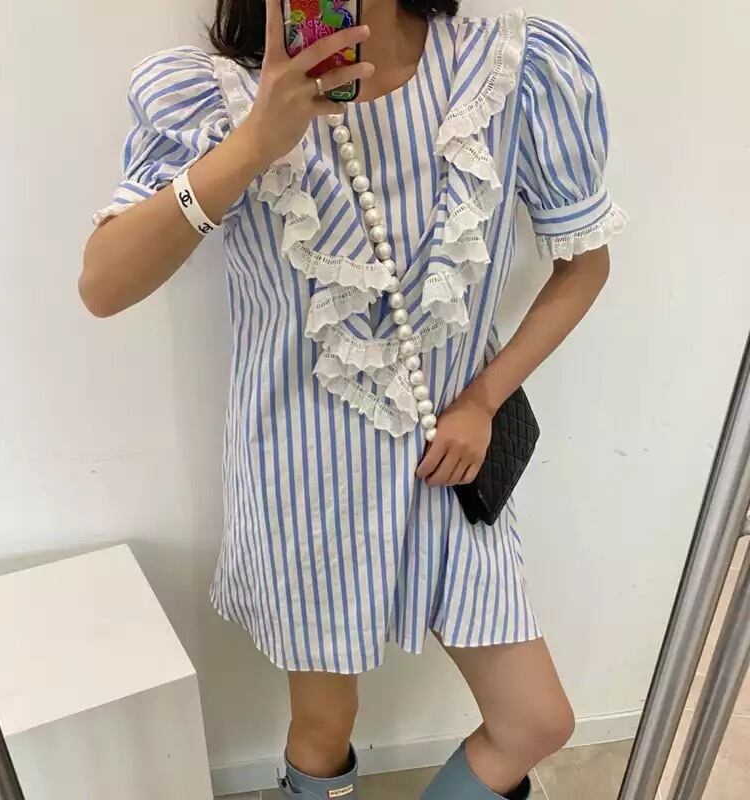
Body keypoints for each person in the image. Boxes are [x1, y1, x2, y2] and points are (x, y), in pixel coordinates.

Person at [80, 1, 626, 798]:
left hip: (451, 464)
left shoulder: (511, 69)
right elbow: (102, 284)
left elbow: (585, 266)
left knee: (535, 720)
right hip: (305, 476)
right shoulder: (219, 96)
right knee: (324, 725)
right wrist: (254, 144)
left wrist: (484, 399)